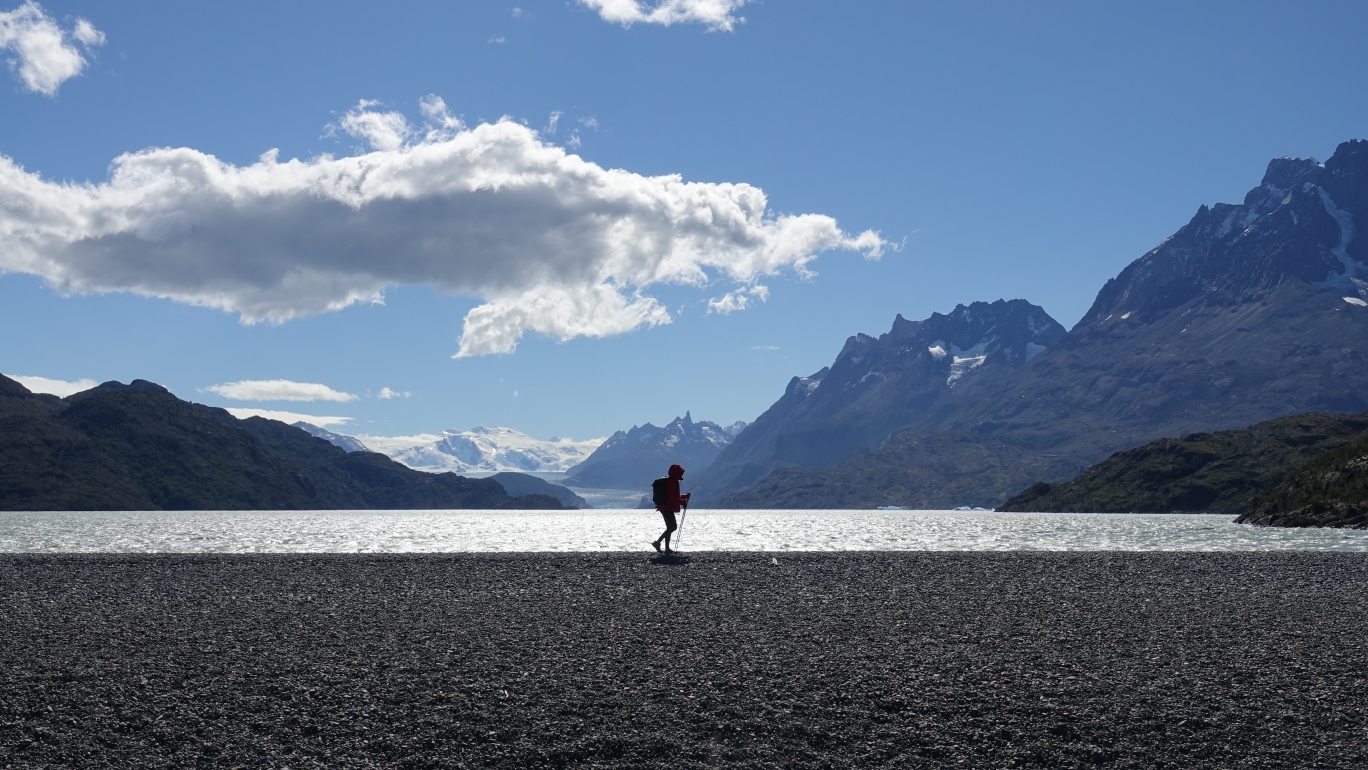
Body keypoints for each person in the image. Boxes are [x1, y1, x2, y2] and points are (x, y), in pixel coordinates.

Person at [652, 463, 690, 553]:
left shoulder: (672, 481)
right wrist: (683, 501)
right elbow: (673, 498)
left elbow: (673, 496)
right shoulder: (672, 482)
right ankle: (658, 543)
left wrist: (684, 497)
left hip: (665, 507)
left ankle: (666, 548)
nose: (682, 474)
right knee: (672, 527)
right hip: (667, 507)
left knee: (670, 527)